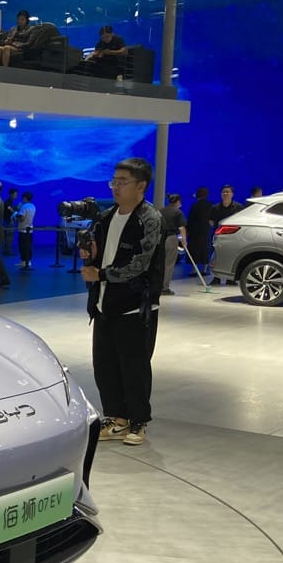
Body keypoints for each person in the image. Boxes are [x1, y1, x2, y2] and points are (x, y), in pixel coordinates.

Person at [79, 158, 164, 447]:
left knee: (134, 366)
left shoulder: (149, 219)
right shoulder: (106, 217)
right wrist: (90, 254)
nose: (116, 187)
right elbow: (100, 254)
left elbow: (140, 264)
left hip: (135, 305)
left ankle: (138, 421)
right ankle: (116, 417)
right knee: (104, 365)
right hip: (104, 303)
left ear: (141, 186)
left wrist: (101, 274)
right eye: (113, 181)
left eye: (122, 182)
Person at [159, 193, 187, 295]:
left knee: (160, 263)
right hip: (171, 238)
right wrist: (184, 241)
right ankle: (164, 287)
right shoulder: (178, 212)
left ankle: (157, 285)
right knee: (169, 264)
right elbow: (182, 228)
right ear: (178, 202)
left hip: (160, 239)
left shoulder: (161, 211)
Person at [186, 187, 213, 278]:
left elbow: (190, 219)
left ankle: (194, 270)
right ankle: (205, 269)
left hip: (195, 233)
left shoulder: (194, 206)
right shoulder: (210, 205)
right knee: (205, 250)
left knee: (194, 251)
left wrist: (188, 231)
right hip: (205, 231)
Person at [16, 191, 36, 270]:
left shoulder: (24, 207)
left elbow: (21, 218)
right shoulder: (33, 206)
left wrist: (16, 214)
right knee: (28, 246)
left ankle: (24, 262)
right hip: (30, 230)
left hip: (23, 230)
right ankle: (28, 261)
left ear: (25, 198)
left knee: (23, 247)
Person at [2, 188, 18, 255]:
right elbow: (10, 210)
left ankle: (6, 250)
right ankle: (8, 251)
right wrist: (16, 213)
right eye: (15, 194)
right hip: (8, 222)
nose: (16, 196)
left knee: (7, 237)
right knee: (9, 237)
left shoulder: (9, 202)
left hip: (6, 221)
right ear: (11, 194)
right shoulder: (8, 202)